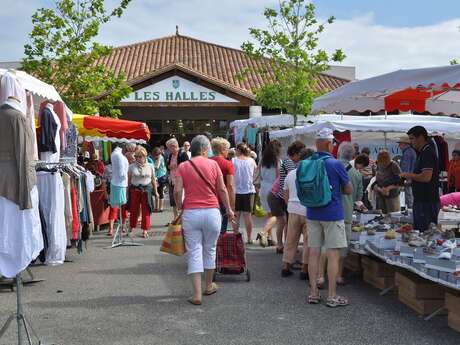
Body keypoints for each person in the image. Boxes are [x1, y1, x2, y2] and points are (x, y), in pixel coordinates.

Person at [174, 135, 235, 306]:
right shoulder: (213, 164)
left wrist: (180, 207)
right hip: (212, 212)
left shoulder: (183, 166)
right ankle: (209, 285)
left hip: (191, 213)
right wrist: (229, 210)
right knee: (210, 249)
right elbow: (222, 189)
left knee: (194, 251)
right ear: (204, 149)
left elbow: (177, 191)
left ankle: (197, 294)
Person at [306, 128, 352, 308]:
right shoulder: (335, 164)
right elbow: (348, 189)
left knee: (313, 252)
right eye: (333, 142)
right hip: (332, 213)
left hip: (312, 212)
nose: (334, 145)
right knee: (333, 254)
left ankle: (313, 293)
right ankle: (332, 296)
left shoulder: (307, 162)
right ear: (327, 143)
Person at [281, 148, 314, 279]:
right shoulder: (312, 174)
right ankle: (304, 269)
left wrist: (289, 206)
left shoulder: (291, 174)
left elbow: (286, 195)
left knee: (291, 239)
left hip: (293, 208)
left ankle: (286, 266)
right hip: (308, 210)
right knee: (308, 241)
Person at [268, 140, 305, 254]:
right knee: (282, 221)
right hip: (277, 196)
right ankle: (281, 245)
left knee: (287, 222)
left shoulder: (290, 162)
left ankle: (288, 245)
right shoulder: (289, 162)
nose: (302, 156)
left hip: (281, 195)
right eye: (301, 154)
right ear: (296, 153)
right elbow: (294, 176)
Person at [401, 126, 440, 232]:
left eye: (412, 138)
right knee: (420, 233)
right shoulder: (423, 152)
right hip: (422, 201)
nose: (410, 142)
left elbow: (426, 177)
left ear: (421, 137)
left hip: (426, 201)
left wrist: (407, 175)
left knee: (425, 234)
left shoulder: (427, 152)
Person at [337, 142, 363, 284]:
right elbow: (358, 198)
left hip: (329, 211)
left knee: (326, 244)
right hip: (346, 214)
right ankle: (339, 275)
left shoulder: (330, 167)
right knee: (342, 246)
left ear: (339, 152)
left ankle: (320, 275)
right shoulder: (356, 174)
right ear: (353, 156)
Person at [128, 146, 159, 238]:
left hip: (147, 190)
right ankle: (131, 227)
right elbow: (129, 180)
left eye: (141, 156)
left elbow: (153, 179)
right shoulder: (131, 166)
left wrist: (156, 192)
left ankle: (145, 230)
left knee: (146, 210)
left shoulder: (150, 166)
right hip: (135, 189)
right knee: (134, 209)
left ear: (145, 156)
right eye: (137, 156)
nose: (139, 158)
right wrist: (127, 191)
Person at [255, 140, 282, 247]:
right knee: (276, 215)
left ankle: (270, 238)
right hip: (273, 188)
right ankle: (263, 232)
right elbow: (279, 177)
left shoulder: (262, 160)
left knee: (269, 214)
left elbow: (259, 175)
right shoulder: (277, 161)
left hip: (264, 187)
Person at [232, 143, 257, 244]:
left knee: (236, 216)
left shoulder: (233, 160)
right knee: (248, 216)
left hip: (236, 191)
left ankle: (235, 237)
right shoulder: (251, 160)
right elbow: (256, 171)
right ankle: (250, 238)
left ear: (238, 150)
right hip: (249, 190)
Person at [210, 137, 236, 233]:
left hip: (209, 199)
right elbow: (230, 186)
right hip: (222, 200)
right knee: (221, 229)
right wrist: (232, 205)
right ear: (223, 149)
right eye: (227, 149)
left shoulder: (207, 162)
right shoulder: (228, 164)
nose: (228, 152)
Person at [166, 138, 189, 219]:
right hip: (172, 179)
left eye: (169, 148)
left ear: (173, 146)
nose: (168, 150)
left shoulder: (183, 154)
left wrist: (177, 166)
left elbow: (187, 167)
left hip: (181, 180)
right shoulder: (170, 155)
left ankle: (183, 217)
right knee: (173, 200)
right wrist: (169, 167)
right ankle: (175, 218)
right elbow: (168, 166)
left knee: (181, 198)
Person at [397, 135, 417, 208]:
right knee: (410, 196)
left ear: (405, 144)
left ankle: (410, 212)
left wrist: (404, 179)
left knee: (409, 197)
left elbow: (406, 167)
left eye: (400, 144)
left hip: (408, 178)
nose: (399, 146)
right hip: (412, 177)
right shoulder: (411, 151)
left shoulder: (407, 153)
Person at [152, 147, 167, 212]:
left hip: (161, 177)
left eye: (155, 155)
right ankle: (157, 207)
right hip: (158, 176)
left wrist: (151, 167)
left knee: (160, 192)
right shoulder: (160, 157)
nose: (154, 156)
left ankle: (160, 207)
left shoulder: (159, 157)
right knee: (157, 192)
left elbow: (157, 167)